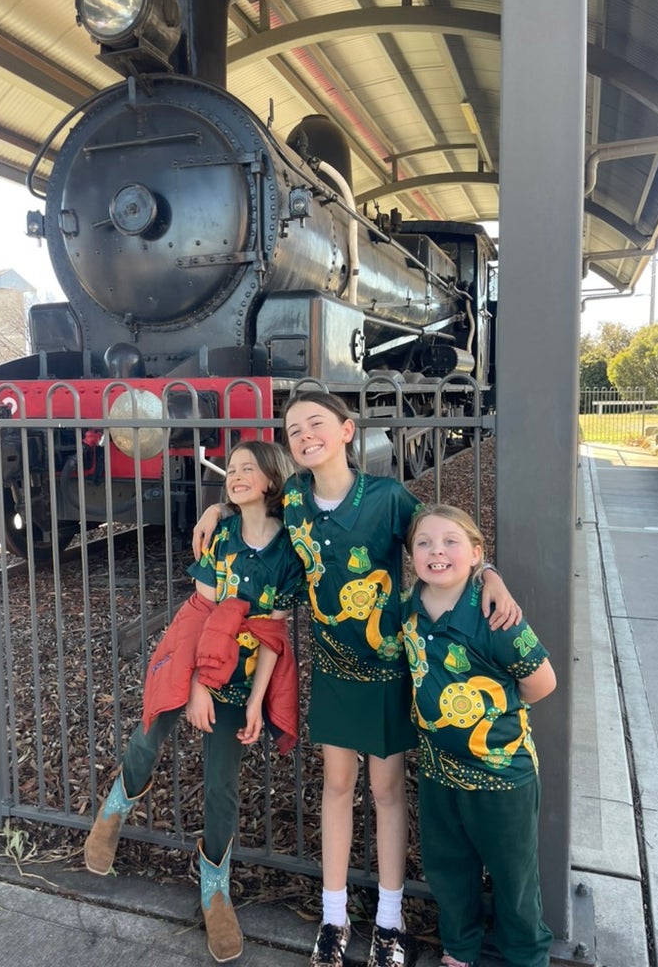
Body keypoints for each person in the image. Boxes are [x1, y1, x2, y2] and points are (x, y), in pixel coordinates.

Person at [192, 392, 521, 967]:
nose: (303, 435)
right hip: (336, 669)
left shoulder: (388, 498)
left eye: (315, 423)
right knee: (338, 788)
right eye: (293, 429)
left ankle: (390, 924)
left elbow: (439, 539)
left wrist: (487, 569)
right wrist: (216, 510)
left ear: (347, 432)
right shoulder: (292, 497)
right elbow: (249, 503)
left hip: (390, 669)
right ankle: (334, 917)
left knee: (389, 792)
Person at [84, 440, 305, 964]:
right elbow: (204, 609)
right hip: (197, 652)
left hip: (243, 671)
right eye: (231, 469)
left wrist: (255, 703)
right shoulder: (222, 536)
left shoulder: (289, 552)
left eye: (248, 468)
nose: (236, 475)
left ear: (271, 482)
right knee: (151, 729)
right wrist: (195, 685)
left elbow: (273, 635)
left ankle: (214, 888)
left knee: (221, 782)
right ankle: (113, 811)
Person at [401, 504, 557, 967]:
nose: (437, 551)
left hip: (502, 777)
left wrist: (491, 713)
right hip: (438, 772)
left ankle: (526, 956)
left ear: (475, 554)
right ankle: (460, 947)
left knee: (514, 877)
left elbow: (542, 683)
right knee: (450, 868)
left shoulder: (496, 615)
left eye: (450, 542)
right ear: (411, 555)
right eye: (424, 543)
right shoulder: (409, 610)